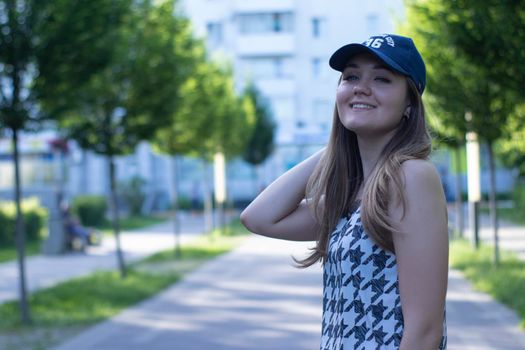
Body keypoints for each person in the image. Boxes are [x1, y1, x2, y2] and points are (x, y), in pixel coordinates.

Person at [240, 34, 448, 349]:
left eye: (381, 79)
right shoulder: (352, 196)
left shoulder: (411, 177)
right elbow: (258, 218)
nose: (360, 87)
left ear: (409, 104)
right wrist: (337, 145)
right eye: (351, 77)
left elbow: (424, 332)